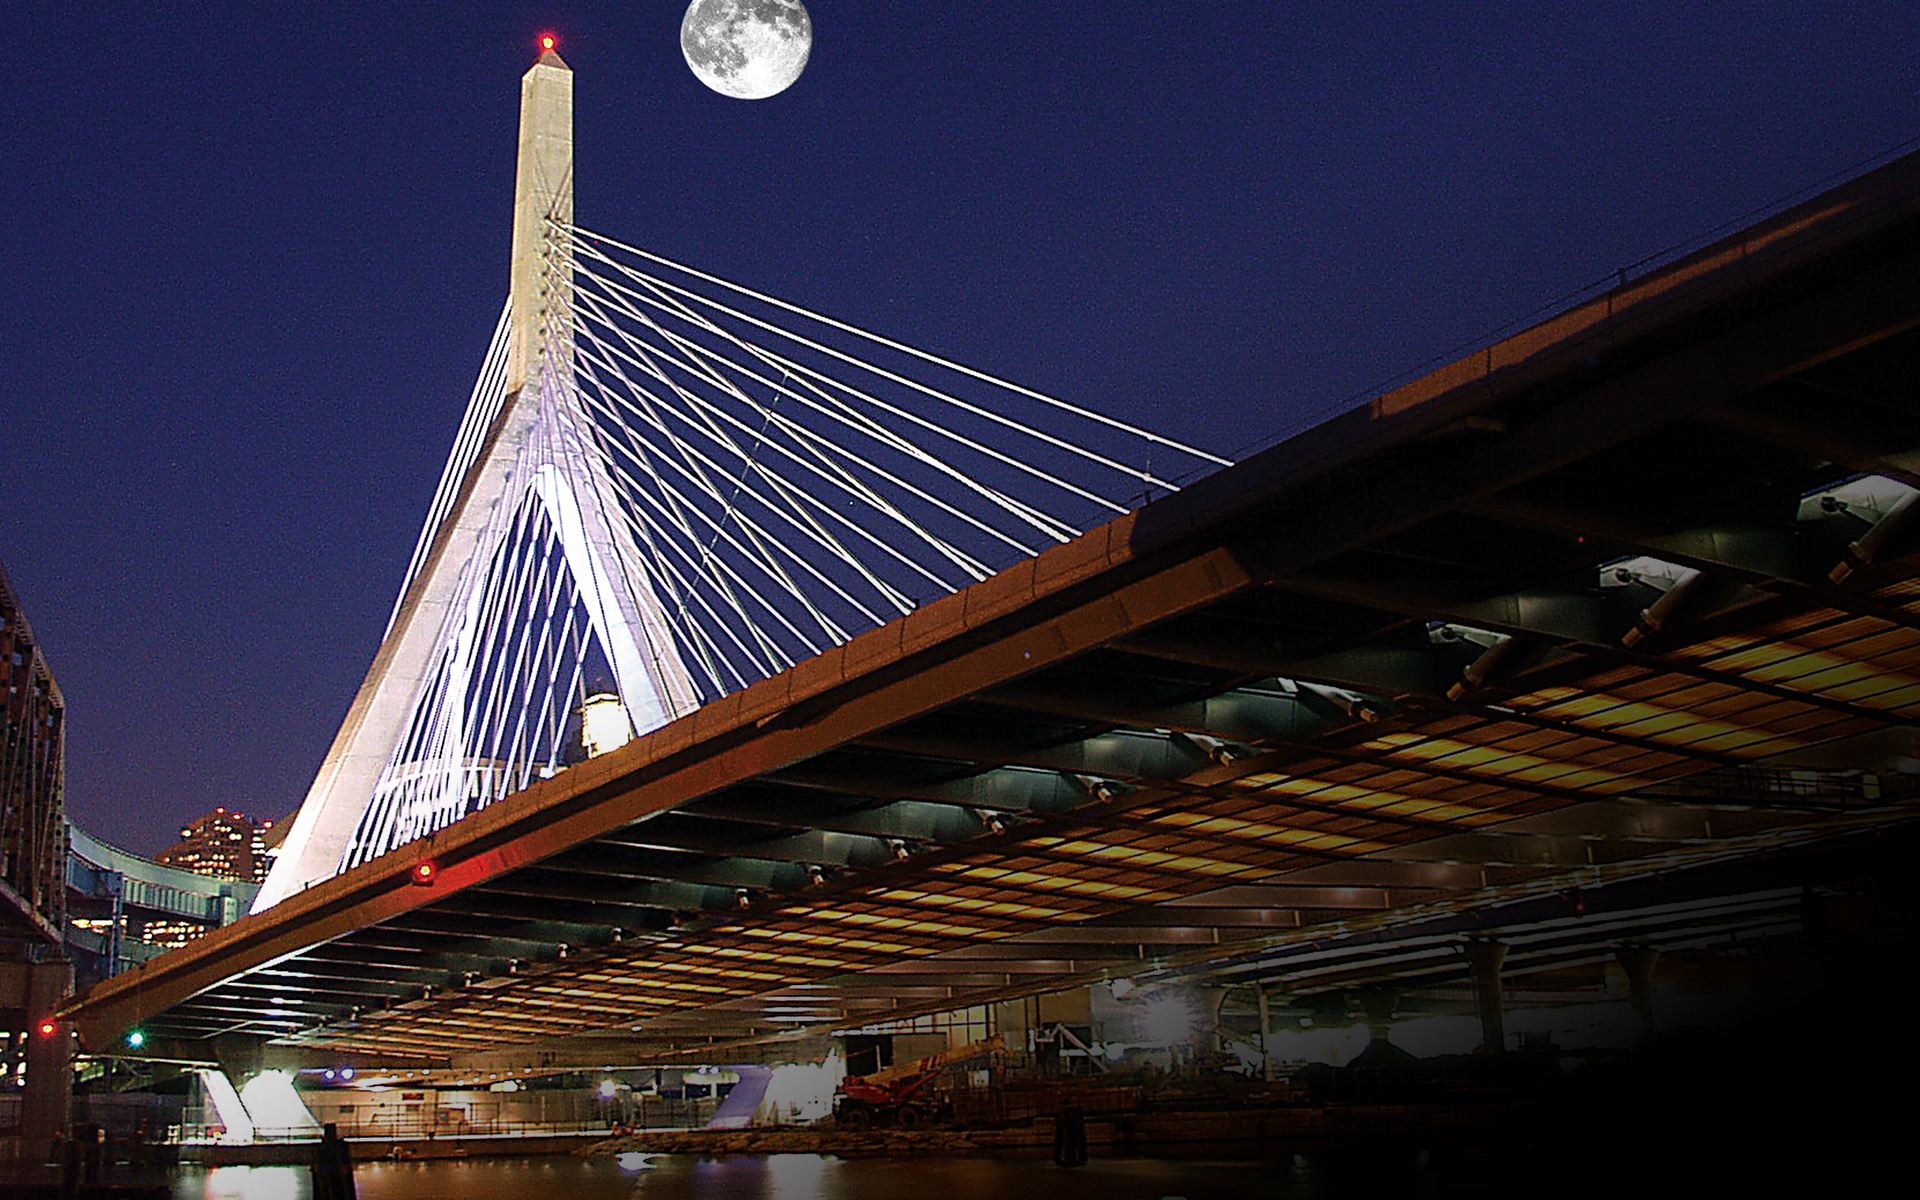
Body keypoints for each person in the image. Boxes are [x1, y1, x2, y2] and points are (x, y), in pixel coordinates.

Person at [310, 1122, 358, 1200]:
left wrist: (322, 1169)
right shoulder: (341, 1147)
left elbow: (318, 1165)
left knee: (328, 1192)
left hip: (329, 1175)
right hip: (337, 1174)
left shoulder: (321, 1148)